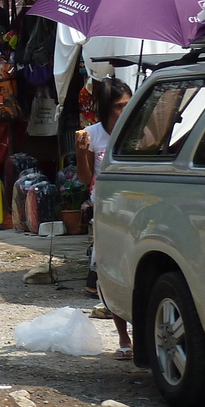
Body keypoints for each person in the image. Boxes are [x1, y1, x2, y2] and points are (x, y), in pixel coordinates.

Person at [78, 76, 133, 359]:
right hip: (106, 211)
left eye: (127, 105)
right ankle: (123, 338)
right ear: (105, 108)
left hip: (136, 209)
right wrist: (80, 150)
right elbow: (86, 177)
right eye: (118, 107)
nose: (124, 111)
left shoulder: (140, 131)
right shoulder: (92, 135)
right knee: (111, 270)